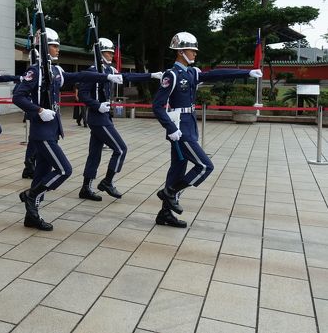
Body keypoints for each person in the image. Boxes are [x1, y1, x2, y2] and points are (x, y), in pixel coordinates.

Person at [13, 27, 123, 231]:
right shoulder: (34, 71)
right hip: (42, 132)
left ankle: (31, 215)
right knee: (64, 169)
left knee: (41, 174)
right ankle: (31, 195)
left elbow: (78, 75)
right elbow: (17, 96)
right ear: (44, 48)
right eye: (54, 46)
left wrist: (105, 78)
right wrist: (38, 110)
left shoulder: (55, 70)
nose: (58, 49)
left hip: (52, 132)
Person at [152, 32, 262, 228]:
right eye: (191, 50)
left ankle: (164, 214)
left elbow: (216, 74)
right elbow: (157, 105)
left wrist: (247, 72)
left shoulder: (191, 72)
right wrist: (170, 128)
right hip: (179, 128)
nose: (195, 54)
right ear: (180, 52)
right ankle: (170, 192)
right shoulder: (172, 75)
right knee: (205, 166)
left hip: (190, 123)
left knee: (178, 169)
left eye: (195, 50)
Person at [78, 38, 162, 201]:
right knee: (121, 149)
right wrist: (96, 105)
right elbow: (83, 94)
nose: (111, 55)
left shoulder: (109, 70)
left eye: (111, 52)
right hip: (98, 118)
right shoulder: (92, 71)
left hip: (103, 117)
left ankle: (85, 188)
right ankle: (107, 182)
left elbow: (129, 75)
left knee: (94, 154)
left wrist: (151, 75)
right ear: (100, 53)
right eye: (108, 53)